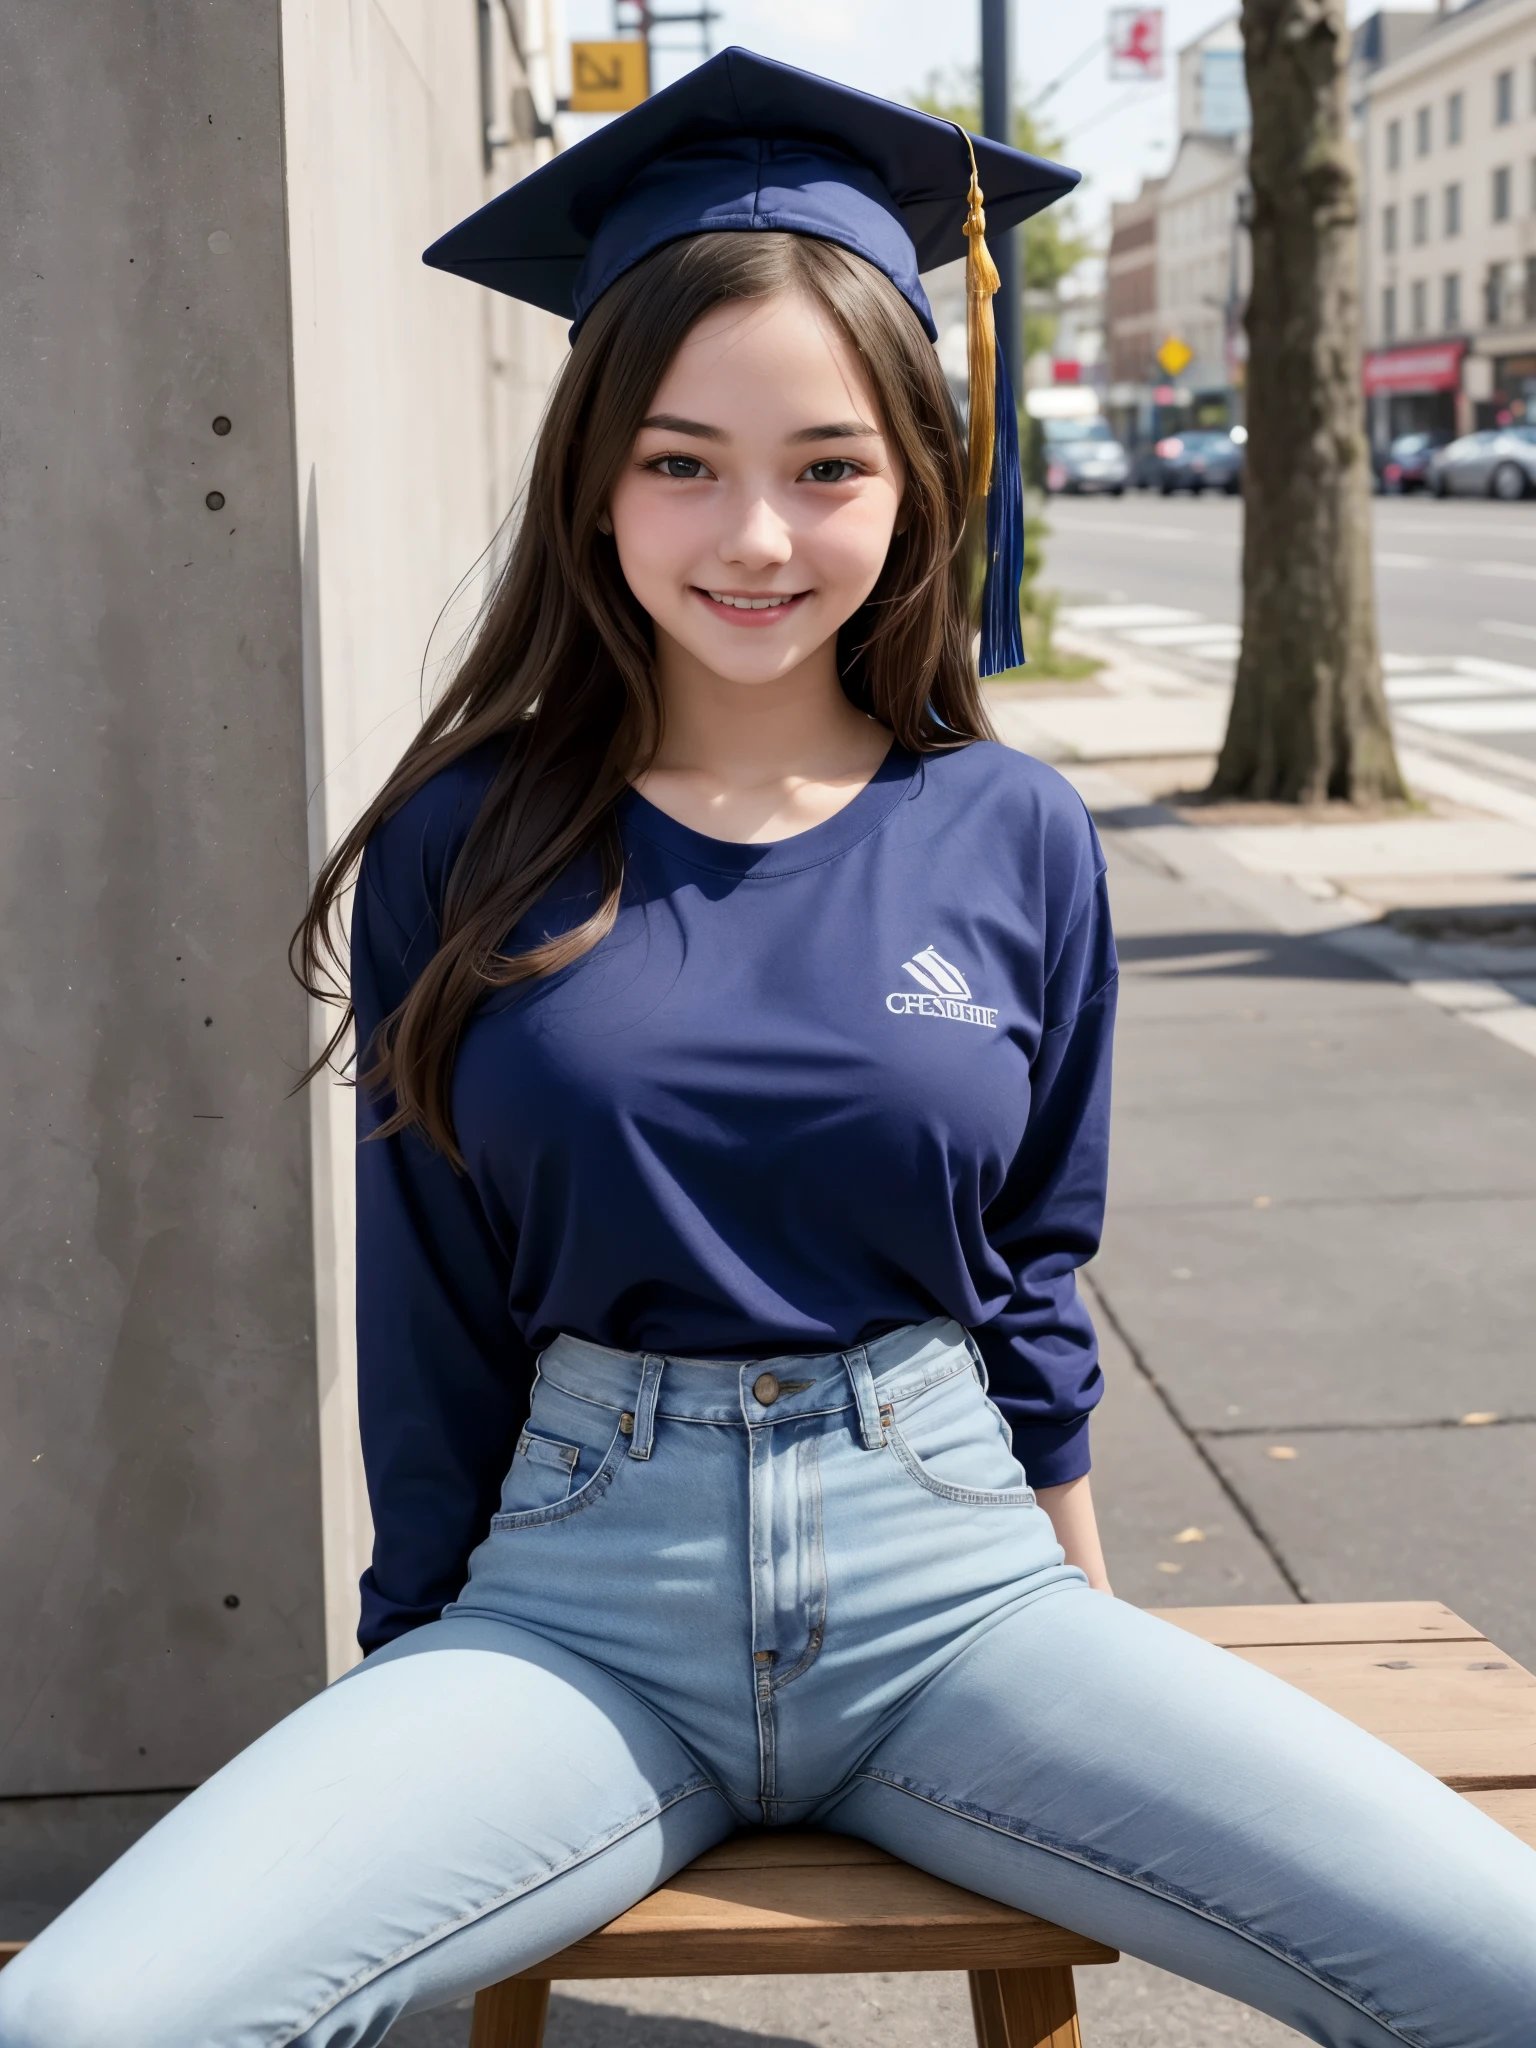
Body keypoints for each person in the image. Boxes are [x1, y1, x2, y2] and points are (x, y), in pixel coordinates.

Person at [2, 47, 1533, 2048]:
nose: (756, 531)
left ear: (916, 483)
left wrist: (1083, 1631)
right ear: (594, 479)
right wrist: (406, 1685)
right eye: (679, 460)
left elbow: (1032, 1279)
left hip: (957, 1602)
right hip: (571, 1621)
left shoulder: (1016, 838)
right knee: (94, 2016)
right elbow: (432, 1309)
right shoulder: (469, 843)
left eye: (827, 463)